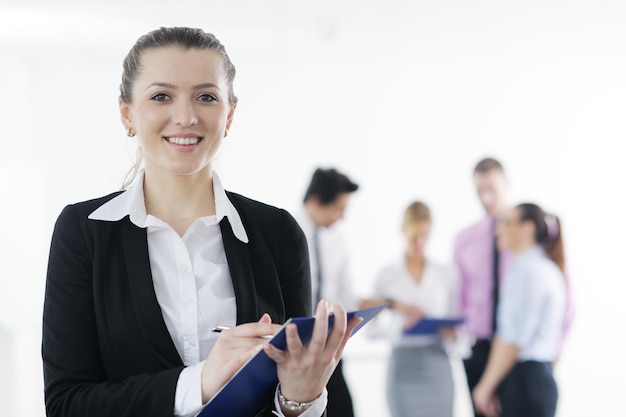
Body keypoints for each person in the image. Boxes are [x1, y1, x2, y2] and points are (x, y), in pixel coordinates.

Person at [41, 27, 361, 417]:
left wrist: (300, 398)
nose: (186, 116)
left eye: (206, 97)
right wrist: (201, 382)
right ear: (127, 113)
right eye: (162, 96)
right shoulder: (83, 231)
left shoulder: (277, 233)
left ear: (229, 115)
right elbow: (66, 405)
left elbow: (292, 400)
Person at [453, 157, 574, 417]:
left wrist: (486, 387)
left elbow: (514, 334)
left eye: (492, 189)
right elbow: (461, 300)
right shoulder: (466, 240)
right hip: (486, 351)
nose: (486, 198)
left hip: (519, 364)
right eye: (479, 191)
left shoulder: (526, 268)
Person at [472, 203, 567, 417]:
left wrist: (485, 387)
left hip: (526, 380)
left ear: (527, 228)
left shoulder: (527, 271)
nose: (499, 229)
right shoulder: (544, 267)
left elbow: (512, 339)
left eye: (506, 222)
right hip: (533, 378)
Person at [368, 201, 461, 417]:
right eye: (414, 236)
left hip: (437, 364)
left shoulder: (447, 274)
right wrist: (399, 324)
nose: (419, 242)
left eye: (425, 235)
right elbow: (371, 331)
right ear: (403, 231)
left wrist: (451, 333)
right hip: (402, 367)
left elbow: (457, 325)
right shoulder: (386, 276)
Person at [296, 167, 360, 417]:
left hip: (329, 350)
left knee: (344, 409)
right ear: (315, 202)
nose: (341, 217)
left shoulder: (336, 242)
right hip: (297, 352)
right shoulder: (282, 234)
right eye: (338, 209)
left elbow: (346, 296)